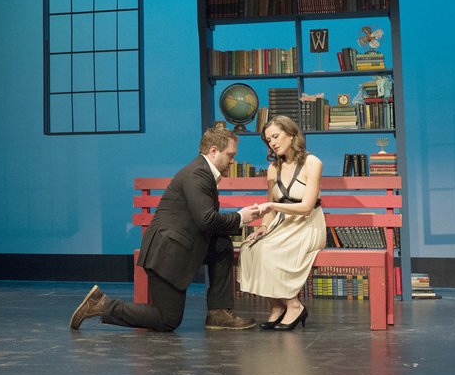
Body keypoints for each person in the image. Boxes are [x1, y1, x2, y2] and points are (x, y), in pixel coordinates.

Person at [69, 124, 261, 332]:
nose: (232, 161)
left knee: (221, 246)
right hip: (167, 254)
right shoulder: (198, 174)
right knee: (167, 320)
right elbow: (206, 220)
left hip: (177, 247)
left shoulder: (202, 172)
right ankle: (102, 305)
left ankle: (218, 313)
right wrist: (241, 217)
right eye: (230, 155)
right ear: (213, 151)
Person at [238, 115, 327, 331]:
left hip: (308, 224)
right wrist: (262, 227)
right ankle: (277, 306)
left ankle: (294, 305)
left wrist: (273, 208)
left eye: (276, 136)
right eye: (269, 140)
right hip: (282, 224)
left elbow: (306, 207)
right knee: (250, 247)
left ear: (291, 134)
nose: (273, 143)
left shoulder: (312, 163)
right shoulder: (273, 169)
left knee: (269, 249)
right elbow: (271, 203)